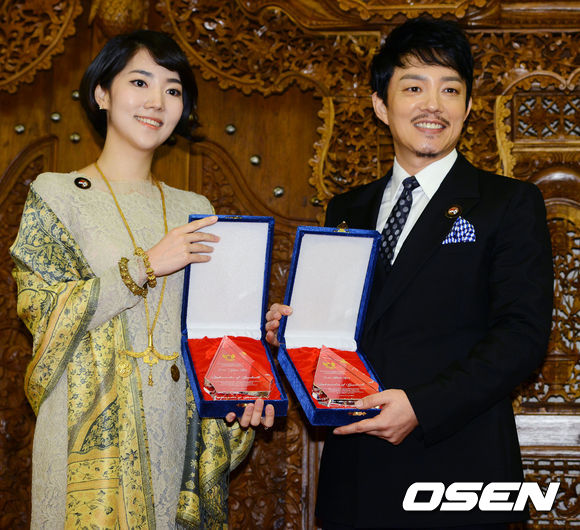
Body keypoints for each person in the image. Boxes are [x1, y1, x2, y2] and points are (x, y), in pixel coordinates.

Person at [266, 17, 553, 529]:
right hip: (357, 474)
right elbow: (343, 329)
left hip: (458, 469)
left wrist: (422, 406)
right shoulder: (347, 208)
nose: (433, 105)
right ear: (382, 104)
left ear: (467, 106)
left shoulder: (507, 203)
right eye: (414, 87)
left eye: (450, 89)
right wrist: (293, 333)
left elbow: (522, 337)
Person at [11, 30, 274, 529]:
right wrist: (144, 266)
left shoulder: (195, 208)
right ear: (102, 93)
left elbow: (212, 327)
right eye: (140, 82)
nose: (157, 101)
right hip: (85, 435)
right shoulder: (57, 194)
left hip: (174, 422)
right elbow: (44, 311)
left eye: (173, 89)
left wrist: (247, 379)